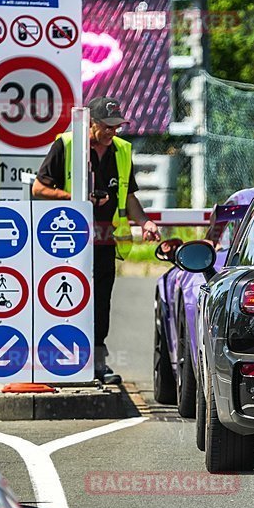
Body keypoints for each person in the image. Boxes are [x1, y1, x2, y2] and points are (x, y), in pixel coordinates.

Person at [33, 97, 160, 384]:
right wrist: (77, 199)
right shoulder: (66, 146)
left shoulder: (123, 151)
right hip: (66, 242)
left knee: (101, 302)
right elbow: (40, 188)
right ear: (90, 123)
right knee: (63, 297)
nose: (112, 133)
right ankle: (58, 362)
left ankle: (97, 364)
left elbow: (128, 197)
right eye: (107, 127)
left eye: (117, 127)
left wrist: (145, 222)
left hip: (104, 241)